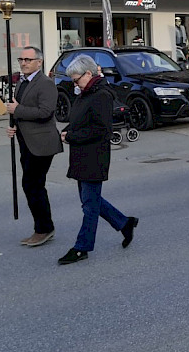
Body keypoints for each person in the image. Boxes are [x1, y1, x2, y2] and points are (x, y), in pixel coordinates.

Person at [57, 55, 137, 265]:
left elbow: (102, 130)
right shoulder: (86, 92)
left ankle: (81, 248)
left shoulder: (101, 95)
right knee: (90, 201)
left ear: (89, 74)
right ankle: (124, 223)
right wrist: (67, 131)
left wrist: (72, 136)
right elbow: (80, 120)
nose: (75, 84)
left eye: (76, 80)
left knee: (89, 206)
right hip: (81, 155)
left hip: (94, 157)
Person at [5, 46, 63, 247]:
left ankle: (44, 228)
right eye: (21, 59)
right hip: (26, 141)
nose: (23, 63)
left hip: (42, 143)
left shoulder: (46, 83)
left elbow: (45, 112)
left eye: (28, 60)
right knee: (32, 185)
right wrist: (13, 126)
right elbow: (17, 109)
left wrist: (18, 110)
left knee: (32, 185)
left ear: (39, 62)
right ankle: (43, 227)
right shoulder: (21, 82)